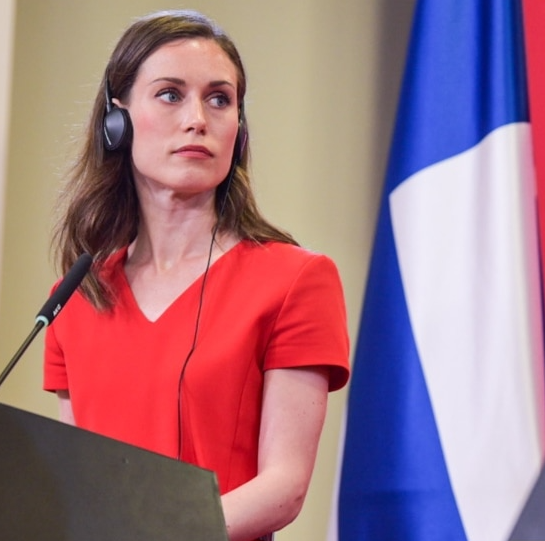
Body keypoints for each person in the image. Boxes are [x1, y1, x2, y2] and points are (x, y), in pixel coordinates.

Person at [43, 10, 350, 541]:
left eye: (219, 99)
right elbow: (78, 484)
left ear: (238, 130)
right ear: (117, 121)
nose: (197, 119)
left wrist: (155, 533)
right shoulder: (75, 298)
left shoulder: (296, 279)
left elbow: (284, 486)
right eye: (170, 94)